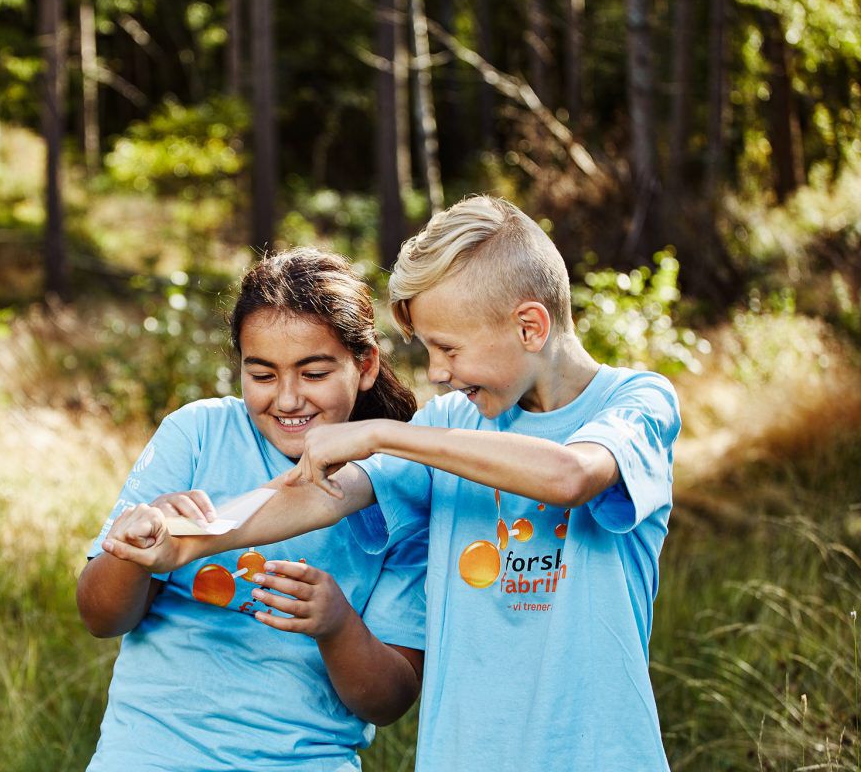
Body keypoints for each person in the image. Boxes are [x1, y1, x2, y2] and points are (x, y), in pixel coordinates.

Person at [103, 195, 682, 771]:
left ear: (530, 326)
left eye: (449, 348)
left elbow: (572, 475)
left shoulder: (637, 401)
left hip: (601, 753)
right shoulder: (450, 420)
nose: (436, 372)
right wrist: (186, 541)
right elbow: (317, 495)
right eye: (429, 350)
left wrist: (385, 434)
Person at [77, 248, 429, 772]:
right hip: (149, 754)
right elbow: (100, 617)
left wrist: (336, 624)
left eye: (312, 373)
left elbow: (389, 699)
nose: (287, 400)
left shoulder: (401, 482)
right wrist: (134, 549)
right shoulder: (197, 434)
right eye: (262, 375)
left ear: (366, 365)